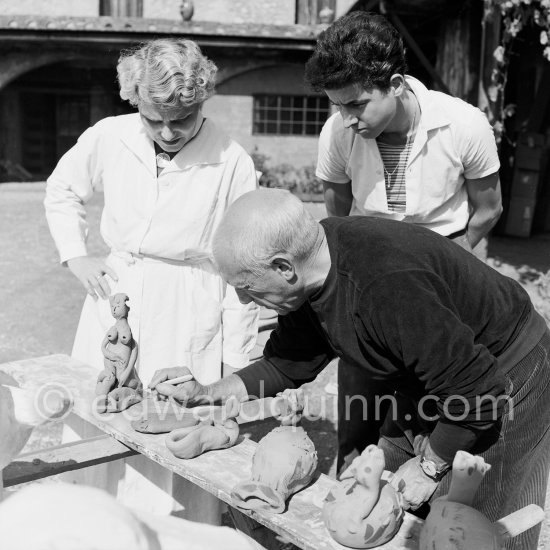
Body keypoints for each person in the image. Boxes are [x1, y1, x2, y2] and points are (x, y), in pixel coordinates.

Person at [151, 189, 550, 550]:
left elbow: (478, 390)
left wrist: (431, 465)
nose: (243, 298)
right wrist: (208, 392)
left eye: (247, 285)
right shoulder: (311, 272)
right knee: (374, 493)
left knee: (470, 526)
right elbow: (287, 362)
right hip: (435, 376)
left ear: (284, 267)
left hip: (505, 374)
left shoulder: (385, 287)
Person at [44, 38, 259, 522]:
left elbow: (242, 268)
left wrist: (237, 368)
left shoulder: (232, 161)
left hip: (188, 304)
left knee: (170, 437)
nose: (166, 131)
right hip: (114, 299)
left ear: (202, 100)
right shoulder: (109, 135)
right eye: (152, 118)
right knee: (100, 422)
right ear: (134, 102)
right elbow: (62, 190)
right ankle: (94, 526)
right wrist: (76, 255)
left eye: (180, 120)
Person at [304, 11, 504, 469]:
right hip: (366, 271)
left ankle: (422, 505)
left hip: (442, 264)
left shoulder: (464, 124)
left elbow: (488, 208)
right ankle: (350, 487)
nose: (347, 118)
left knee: (438, 396)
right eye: (337, 106)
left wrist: (448, 262)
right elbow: (337, 209)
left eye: (356, 104)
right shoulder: (338, 132)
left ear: (395, 83)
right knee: (359, 403)